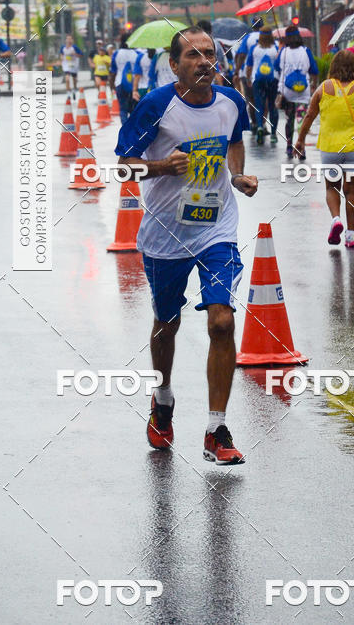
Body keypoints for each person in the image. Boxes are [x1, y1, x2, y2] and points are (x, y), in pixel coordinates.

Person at [115, 27, 257, 465]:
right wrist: (161, 165)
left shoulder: (231, 101)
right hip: (165, 233)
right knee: (166, 324)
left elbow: (234, 142)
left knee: (221, 322)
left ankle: (216, 428)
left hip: (216, 228)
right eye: (193, 55)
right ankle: (163, 398)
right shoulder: (156, 106)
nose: (204, 61)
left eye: (210, 54)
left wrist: (237, 175)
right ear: (175, 66)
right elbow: (124, 167)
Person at [295, 50, 354, 249]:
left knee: (332, 187)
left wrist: (300, 140)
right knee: (351, 190)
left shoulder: (324, 88)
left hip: (330, 148)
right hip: (353, 149)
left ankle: (335, 220)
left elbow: (309, 117)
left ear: (334, 67)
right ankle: (350, 234)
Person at [274, 26, 318, 157]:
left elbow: (276, 67)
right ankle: (301, 148)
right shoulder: (306, 51)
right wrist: (313, 85)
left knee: (289, 120)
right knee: (301, 121)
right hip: (303, 93)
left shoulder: (284, 52)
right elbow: (314, 70)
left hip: (287, 93)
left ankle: (289, 146)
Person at [245, 26, 279, 144]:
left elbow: (249, 66)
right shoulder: (276, 48)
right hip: (273, 80)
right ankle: (274, 134)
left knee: (259, 106)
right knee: (272, 106)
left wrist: (249, 79)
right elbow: (279, 65)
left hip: (258, 80)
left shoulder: (254, 48)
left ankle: (260, 126)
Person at [233, 18, 263, 131]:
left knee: (252, 100)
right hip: (266, 74)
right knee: (264, 100)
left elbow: (241, 55)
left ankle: (255, 124)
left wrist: (237, 70)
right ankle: (263, 124)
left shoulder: (248, 38)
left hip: (248, 74)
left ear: (252, 26)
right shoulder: (269, 37)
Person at [110, 35, 137, 124]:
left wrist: (112, 85)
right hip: (134, 86)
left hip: (120, 84)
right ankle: (132, 130)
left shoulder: (116, 53)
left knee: (123, 109)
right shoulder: (136, 54)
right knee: (134, 110)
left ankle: (125, 131)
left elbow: (113, 71)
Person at [196, 19, 228, 85]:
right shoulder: (216, 43)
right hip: (214, 79)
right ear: (211, 30)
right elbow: (222, 60)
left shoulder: (194, 44)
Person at [60, 35, 83, 100]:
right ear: (66, 40)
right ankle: (68, 94)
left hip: (74, 66)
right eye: (67, 39)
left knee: (74, 79)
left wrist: (75, 54)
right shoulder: (63, 47)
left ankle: (74, 89)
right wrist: (61, 58)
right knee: (67, 79)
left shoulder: (75, 47)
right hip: (66, 65)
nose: (69, 40)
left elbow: (81, 55)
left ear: (72, 40)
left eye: (70, 39)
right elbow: (61, 54)